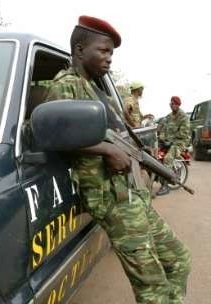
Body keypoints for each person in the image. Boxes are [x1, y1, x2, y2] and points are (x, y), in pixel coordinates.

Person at [45, 15, 190, 304]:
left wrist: (139, 151)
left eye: (111, 52)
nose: (109, 58)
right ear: (79, 50)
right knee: (153, 287)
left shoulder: (99, 88)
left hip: (130, 194)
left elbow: (117, 132)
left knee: (179, 260)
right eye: (103, 50)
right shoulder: (66, 86)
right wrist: (106, 150)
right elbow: (50, 133)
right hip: (110, 197)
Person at [156, 96, 191, 196]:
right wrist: (161, 136)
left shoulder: (183, 117)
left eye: (173, 104)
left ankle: (165, 186)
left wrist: (170, 140)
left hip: (179, 142)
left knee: (168, 158)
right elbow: (162, 129)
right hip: (169, 141)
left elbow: (184, 134)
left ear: (178, 105)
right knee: (154, 153)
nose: (171, 106)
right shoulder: (168, 116)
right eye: (170, 104)